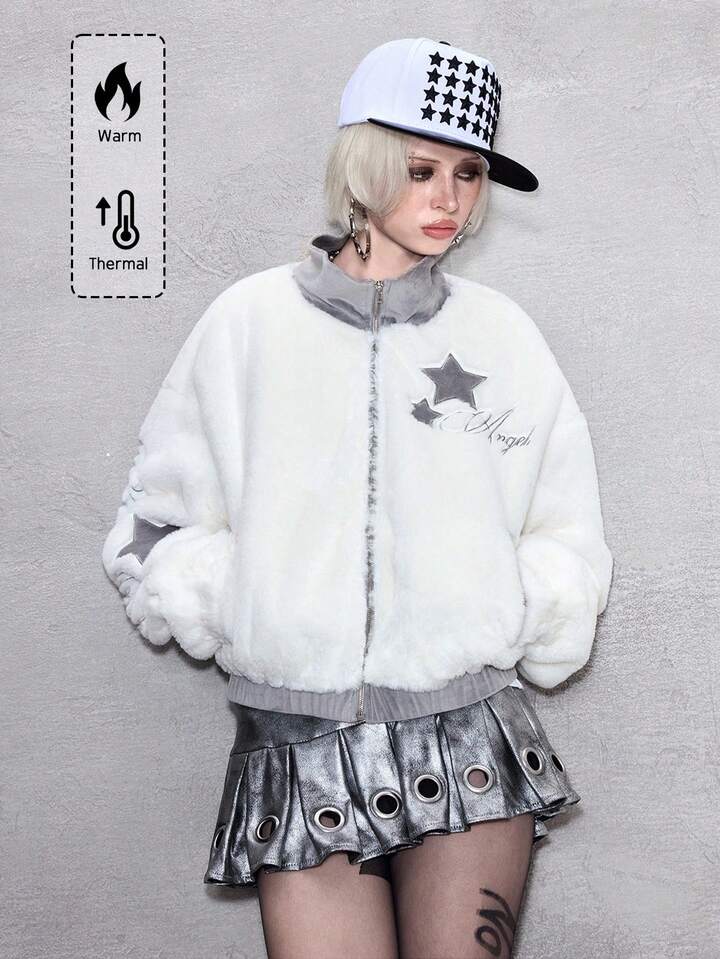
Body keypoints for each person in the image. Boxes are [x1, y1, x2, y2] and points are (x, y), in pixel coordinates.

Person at [102, 37, 613, 959]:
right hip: (297, 742)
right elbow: (154, 520)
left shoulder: (502, 336)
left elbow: (565, 525)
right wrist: (241, 602)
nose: (449, 199)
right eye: (421, 170)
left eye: (468, 173)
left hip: (467, 739)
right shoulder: (248, 324)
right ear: (364, 165)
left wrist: (512, 605)